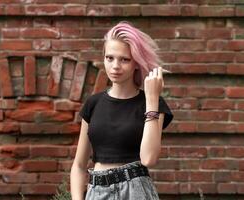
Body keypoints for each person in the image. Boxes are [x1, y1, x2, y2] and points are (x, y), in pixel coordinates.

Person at [70, 21, 173, 200]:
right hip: (97, 192)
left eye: (124, 59)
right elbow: (79, 166)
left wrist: (151, 100)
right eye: (110, 58)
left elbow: (149, 159)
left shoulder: (152, 103)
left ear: (136, 63)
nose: (115, 66)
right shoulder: (93, 104)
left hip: (135, 191)